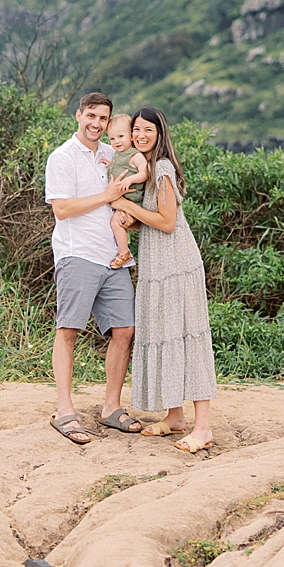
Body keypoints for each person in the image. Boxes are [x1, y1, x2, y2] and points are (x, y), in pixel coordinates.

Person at [109, 106, 217, 454]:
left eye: (148, 131)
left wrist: (123, 203)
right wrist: (132, 220)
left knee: (187, 334)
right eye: (136, 130)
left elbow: (168, 221)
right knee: (165, 332)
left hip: (177, 262)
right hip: (158, 263)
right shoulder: (147, 168)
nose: (140, 136)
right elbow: (153, 218)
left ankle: (203, 427)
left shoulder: (163, 168)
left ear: (160, 135)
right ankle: (175, 417)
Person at [42, 92, 145, 444]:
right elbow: (62, 210)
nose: (97, 124)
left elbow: (123, 199)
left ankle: (111, 408)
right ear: (78, 116)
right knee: (68, 329)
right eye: (91, 116)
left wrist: (128, 219)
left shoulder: (112, 153)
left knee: (125, 330)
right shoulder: (62, 157)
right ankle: (65, 411)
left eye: (103, 119)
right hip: (77, 255)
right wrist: (107, 196)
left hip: (113, 258)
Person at [104, 114, 148, 270]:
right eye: (112, 139)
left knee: (116, 222)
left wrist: (130, 180)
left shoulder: (135, 155)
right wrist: (109, 164)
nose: (116, 142)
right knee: (117, 222)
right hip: (122, 201)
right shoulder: (118, 155)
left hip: (132, 201)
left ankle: (124, 253)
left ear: (131, 136)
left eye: (121, 136)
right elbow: (121, 168)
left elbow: (144, 173)